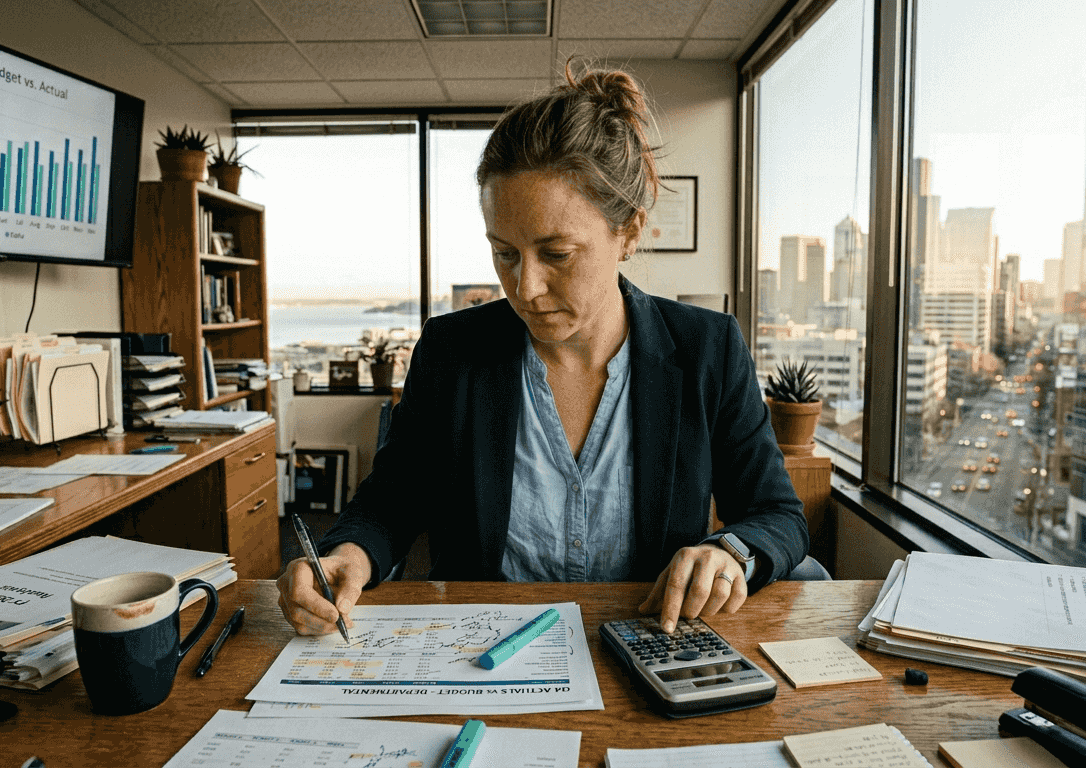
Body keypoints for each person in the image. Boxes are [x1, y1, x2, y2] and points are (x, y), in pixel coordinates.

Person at [278, 64, 809, 637]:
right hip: (479, 653)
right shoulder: (452, 351)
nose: (525, 289)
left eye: (556, 254)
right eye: (504, 253)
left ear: (629, 232)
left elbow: (776, 514)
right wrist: (349, 554)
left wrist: (731, 551)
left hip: (649, 647)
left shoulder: (708, 349)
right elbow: (393, 497)